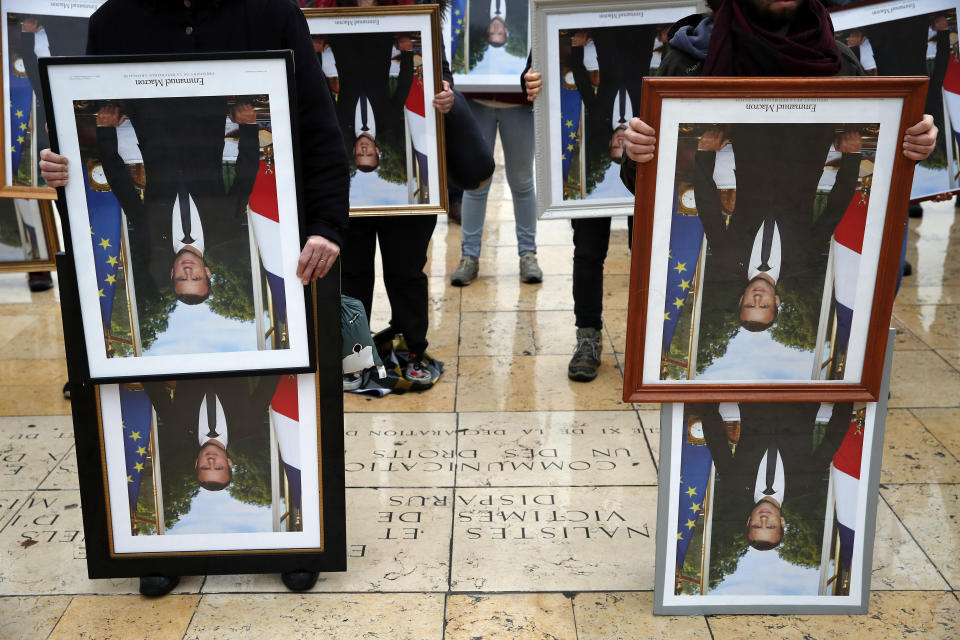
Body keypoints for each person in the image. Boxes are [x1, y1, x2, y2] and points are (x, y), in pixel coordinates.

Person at [40, 0, 350, 596]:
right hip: (160, 252)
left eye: (192, 279)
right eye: (197, 280)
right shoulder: (114, 22)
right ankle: (160, 552)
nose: (192, 273)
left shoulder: (272, 13)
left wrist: (328, 226)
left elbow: (316, 127)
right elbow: (78, 133)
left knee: (273, 363)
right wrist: (61, 163)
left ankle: (293, 542)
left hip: (275, 243)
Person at [521, 23, 658, 382]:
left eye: (617, 146)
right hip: (597, 181)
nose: (619, 142)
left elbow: (581, 78)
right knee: (588, 251)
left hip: (651, 160)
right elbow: (537, 64)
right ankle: (588, 339)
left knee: (645, 250)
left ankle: (647, 343)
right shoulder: (568, 12)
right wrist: (532, 80)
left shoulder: (599, 113)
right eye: (619, 145)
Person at [693, 124, 862, 332]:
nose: (757, 298)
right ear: (777, 301)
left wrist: (705, 153)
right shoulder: (805, 260)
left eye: (749, 304)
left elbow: (708, 208)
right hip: (808, 147)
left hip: (754, 146)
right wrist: (852, 157)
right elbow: (833, 211)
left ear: (740, 300)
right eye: (764, 305)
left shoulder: (725, 258)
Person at [93, 100, 259, 306]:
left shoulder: (150, 235)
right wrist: (248, 127)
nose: (188, 271)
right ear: (207, 272)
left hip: (151, 116)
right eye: (196, 277)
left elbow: (121, 184)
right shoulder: (227, 231)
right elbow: (245, 176)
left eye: (182, 278)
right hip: (205, 114)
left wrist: (105, 130)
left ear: (172, 273)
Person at [693, 401, 853, 550]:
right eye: (770, 526)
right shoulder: (807, 485)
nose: (763, 519)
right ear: (782, 523)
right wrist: (846, 401)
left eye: (757, 525)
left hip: (756, 394)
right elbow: (832, 440)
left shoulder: (733, 484)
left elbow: (716, 440)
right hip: (802, 395)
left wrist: (708, 398)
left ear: (749, 520)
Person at [143, 376, 280, 492]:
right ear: (229, 463)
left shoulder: (176, 428)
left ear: (197, 463)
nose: (211, 461)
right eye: (219, 467)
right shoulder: (250, 425)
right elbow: (269, 382)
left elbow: (152, 385)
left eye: (205, 467)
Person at [327, 32, 414, 172]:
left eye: (361, 154)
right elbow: (404, 85)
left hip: (342, 40)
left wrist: (316, 54)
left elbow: (324, 91)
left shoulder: (340, 122)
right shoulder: (389, 121)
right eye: (369, 153)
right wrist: (407, 52)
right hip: (379, 40)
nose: (364, 149)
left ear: (354, 151)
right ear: (377, 150)